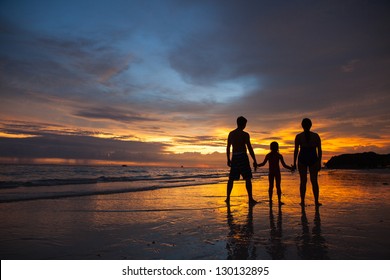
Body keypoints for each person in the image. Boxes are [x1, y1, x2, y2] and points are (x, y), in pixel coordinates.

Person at [226, 116, 258, 205]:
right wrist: (254, 160)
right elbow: (250, 148)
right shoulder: (245, 134)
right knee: (247, 178)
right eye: (245, 124)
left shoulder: (231, 134)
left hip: (235, 157)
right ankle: (250, 199)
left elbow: (228, 147)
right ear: (243, 124)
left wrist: (228, 159)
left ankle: (228, 198)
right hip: (243, 156)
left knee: (231, 179)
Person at [293, 118, 322, 206]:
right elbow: (320, 150)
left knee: (303, 181)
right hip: (312, 157)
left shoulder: (299, 136)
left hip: (303, 157)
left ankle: (302, 201)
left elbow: (296, 151)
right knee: (314, 181)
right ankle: (316, 201)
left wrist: (294, 162)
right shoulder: (316, 136)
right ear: (311, 125)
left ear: (302, 125)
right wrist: (319, 161)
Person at [256, 141, 294, 206]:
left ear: (271, 147)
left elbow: (263, 164)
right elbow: (284, 165)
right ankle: (279, 200)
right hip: (277, 172)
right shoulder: (279, 155)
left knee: (271, 186)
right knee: (278, 186)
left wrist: (257, 165)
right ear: (277, 147)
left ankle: (270, 200)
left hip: (271, 172)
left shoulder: (269, 155)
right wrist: (290, 168)